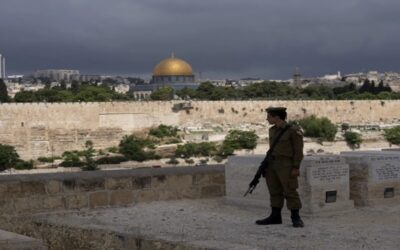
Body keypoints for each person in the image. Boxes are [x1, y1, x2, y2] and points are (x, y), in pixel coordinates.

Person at [255, 107, 304, 228]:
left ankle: (296, 217)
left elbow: (298, 151)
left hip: (286, 165)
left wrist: (296, 167)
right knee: (274, 191)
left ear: (277, 117)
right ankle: (275, 216)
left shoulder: (293, 131)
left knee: (290, 191)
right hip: (272, 165)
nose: (267, 119)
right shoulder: (272, 130)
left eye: (269, 116)